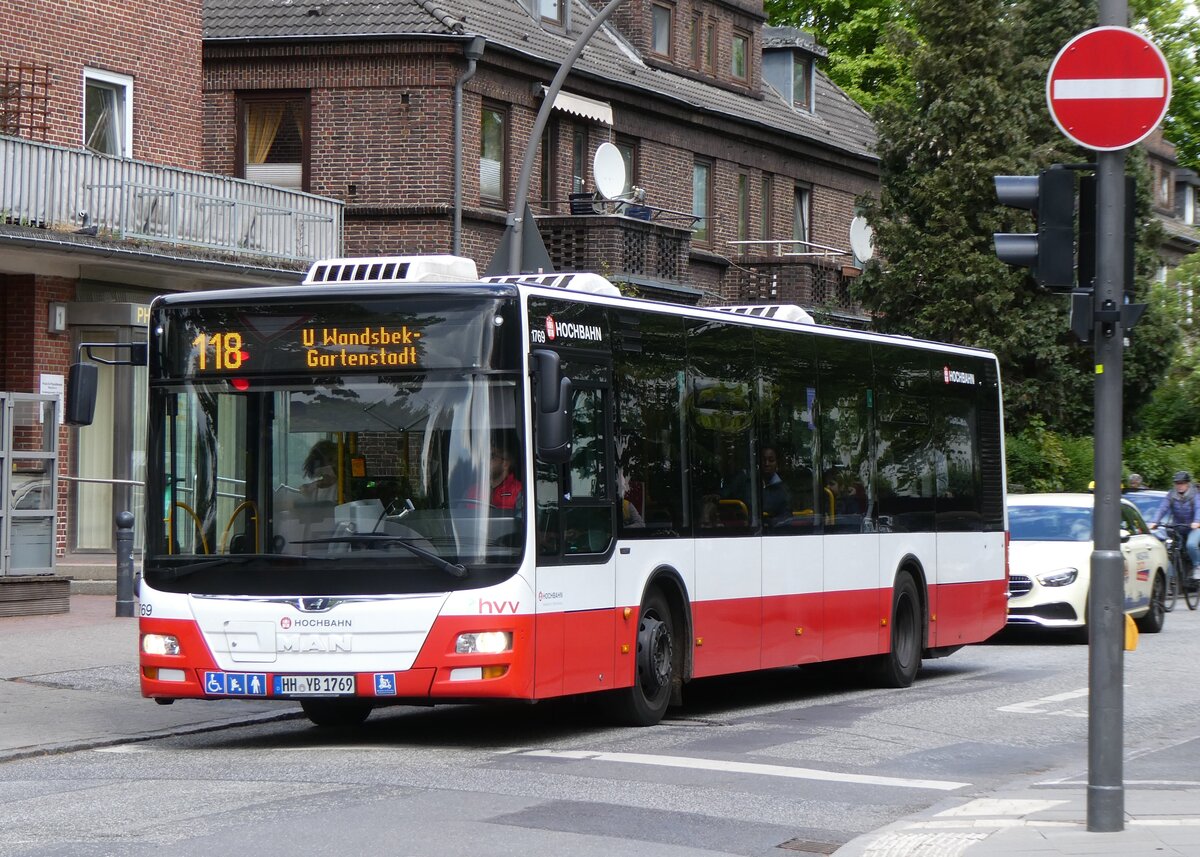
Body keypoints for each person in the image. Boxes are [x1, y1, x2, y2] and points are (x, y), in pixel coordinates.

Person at [1150, 470, 1200, 575]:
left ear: (1187, 484)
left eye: (1182, 483)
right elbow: (1162, 508)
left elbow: (1198, 508)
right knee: (1169, 547)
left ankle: (1197, 566)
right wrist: (1154, 521)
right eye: (1177, 483)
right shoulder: (1171, 495)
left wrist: (1197, 521)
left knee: (1191, 545)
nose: (1179, 486)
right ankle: (1171, 575)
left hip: (1193, 528)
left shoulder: (1195, 494)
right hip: (1177, 527)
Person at [760, 446, 792, 527]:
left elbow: (786, 517)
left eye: (771, 460)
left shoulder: (783, 490)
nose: (767, 464)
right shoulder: (749, 484)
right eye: (763, 460)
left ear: (777, 463)